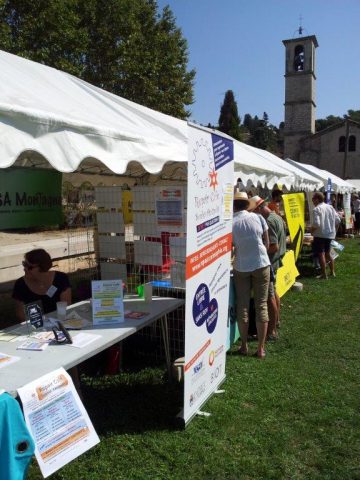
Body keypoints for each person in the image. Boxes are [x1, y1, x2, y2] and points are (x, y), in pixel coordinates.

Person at [232, 191, 270, 358]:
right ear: (247, 204)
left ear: (233, 205)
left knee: (243, 305)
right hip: (261, 263)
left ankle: (244, 345)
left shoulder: (231, 223)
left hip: (241, 266)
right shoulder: (258, 218)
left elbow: (232, 247)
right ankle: (261, 348)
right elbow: (266, 242)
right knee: (261, 304)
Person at [249, 196, 287, 339]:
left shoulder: (269, 221)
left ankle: (271, 332)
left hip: (270, 261)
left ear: (259, 208)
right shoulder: (275, 216)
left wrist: (258, 251)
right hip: (276, 259)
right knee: (273, 292)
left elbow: (273, 246)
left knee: (269, 295)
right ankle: (276, 321)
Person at [12, 249, 72, 321]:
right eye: (24, 264)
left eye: (29, 267)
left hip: (58, 322)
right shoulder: (20, 285)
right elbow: (21, 315)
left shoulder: (61, 279)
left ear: (42, 267)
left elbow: (66, 307)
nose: (24, 269)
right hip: (35, 325)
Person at [310, 192, 341, 279]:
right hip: (330, 234)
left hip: (320, 235)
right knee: (328, 253)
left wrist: (311, 230)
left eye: (313, 199)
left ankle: (324, 274)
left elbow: (316, 223)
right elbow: (338, 220)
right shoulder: (330, 207)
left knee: (321, 254)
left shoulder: (316, 209)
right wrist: (334, 230)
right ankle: (332, 272)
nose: (312, 201)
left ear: (317, 199)